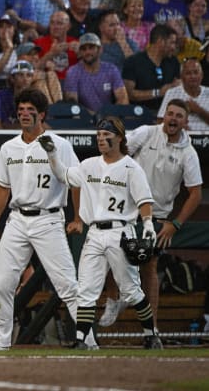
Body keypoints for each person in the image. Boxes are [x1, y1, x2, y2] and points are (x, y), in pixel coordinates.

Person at [39, 116, 163, 350]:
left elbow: (144, 200)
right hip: (94, 232)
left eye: (107, 135)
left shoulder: (131, 167)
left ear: (119, 138)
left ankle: (150, 334)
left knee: (130, 290)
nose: (102, 139)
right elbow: (63, 175)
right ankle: (81, 341)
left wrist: (147, 224)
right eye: (99, 136)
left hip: (120, 231)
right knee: (86, 290)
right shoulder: (89, 165)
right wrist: (52, 154)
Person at [0, 88, 93, 351]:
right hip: (17, 220)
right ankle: (1, 344)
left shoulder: (59, 144)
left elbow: (76, 182)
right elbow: (2, 188)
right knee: (2, 285)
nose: (24, 114)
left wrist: (77, 217)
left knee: (67, 285)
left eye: (30, 111)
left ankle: (89, 341)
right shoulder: (8, 147)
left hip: (48, 220)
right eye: (21, 110)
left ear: (42, 115)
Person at [99, 99, 202, 329]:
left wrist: (175, 224)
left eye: (178, 116)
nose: (173, 119)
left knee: (150, 267)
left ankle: (151, 327)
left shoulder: (189, 153)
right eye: (170, 114)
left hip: (157, 216)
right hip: (125, 209)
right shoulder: (146, 133)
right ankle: (113, 299)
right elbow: (120, 151)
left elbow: (195, 194)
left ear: (185, 123)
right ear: (163, 116)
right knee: (107, 254)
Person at [63, 32, 128, 113]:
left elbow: (123, 98)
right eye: (84, 49)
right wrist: (97, 117)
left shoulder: (111, 69)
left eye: (91, 48)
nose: (87, 52)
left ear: (100, 50)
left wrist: (110, 115)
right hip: (84, 120)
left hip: (111, 117)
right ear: (79, 52)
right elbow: (73, 105)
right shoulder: (73, 72)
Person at [122, 23, 180, 111]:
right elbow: (129, 93)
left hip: (167, 113)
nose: (174, 47)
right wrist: (158, 92)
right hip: (140, 114)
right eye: (172, 42)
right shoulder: (133, 62)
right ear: (160, 41)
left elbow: (178, 85)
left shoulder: (173, 61)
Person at [157, 58, 209, 130]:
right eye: (188, 73)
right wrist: (177, 126)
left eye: (196, 72)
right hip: (181, 138)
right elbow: (160, 121)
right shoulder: (172, 93)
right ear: (181, 77)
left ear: (202, 75)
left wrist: (199, 111)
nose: (193, 76)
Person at [34, 11, 79, 81]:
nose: (55, 27)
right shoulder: (38, 43)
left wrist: (80, 54)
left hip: (72, 82)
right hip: (48, 82)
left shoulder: (76, 43)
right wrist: (51, 53)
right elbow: (34, 69)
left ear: (68, 26)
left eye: (59, 23)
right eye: (52, 23)